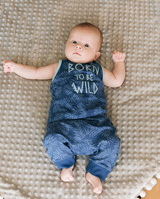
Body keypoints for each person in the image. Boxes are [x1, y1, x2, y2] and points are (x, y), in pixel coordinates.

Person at [3, 22, 126, 195]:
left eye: (86, 45)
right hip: (64, 124)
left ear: (96, 55)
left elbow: (116, 80)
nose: (78, 47)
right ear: (66, 44)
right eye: (74, 42)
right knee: (52, 139)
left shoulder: (97, 69)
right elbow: (36, 72)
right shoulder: (60, 66)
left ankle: (95, 173)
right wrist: (16, 68)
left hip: (96, 124)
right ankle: (66, 165)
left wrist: (118, 63)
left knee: (112, 142)